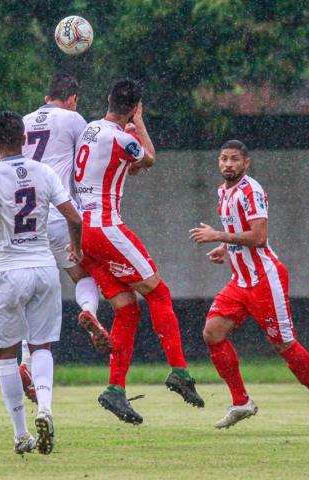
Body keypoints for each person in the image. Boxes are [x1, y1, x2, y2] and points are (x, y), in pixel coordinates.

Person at [74, 79, 204, 424]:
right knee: (159, 292)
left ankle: (115, 390)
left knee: (127, 311)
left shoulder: (90, 129)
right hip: (106, 227)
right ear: (134, 107)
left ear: (107, 99)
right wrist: (140, 123)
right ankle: (179, 370)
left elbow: (111, 163)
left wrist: (127, 156)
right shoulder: (124, 137)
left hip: (84, 233)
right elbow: (149, 157)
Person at [190, 140, 309, 434]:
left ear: (246, 163)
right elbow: (238, 232)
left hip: (264, 279)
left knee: (284, 344)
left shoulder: (251, 191)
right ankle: (241, 401)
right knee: (212, 333)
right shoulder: (223, 192)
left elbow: (258, 237)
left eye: (234, 159)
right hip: (240, 281)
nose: (227, 164)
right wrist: (224, 247)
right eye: (223, 159)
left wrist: (218, 235)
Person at [0, 111, 83, 454]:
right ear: (25, 139)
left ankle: (21, 433)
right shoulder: (44, 173)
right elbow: (74, 216)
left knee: (6, 353)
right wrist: (77, 247)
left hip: (7, 270)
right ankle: (45, 406)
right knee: (41, 346)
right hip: (44, 267)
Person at [18, 73, 110, 403]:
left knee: (33, 295)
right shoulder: (73, 119)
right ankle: (89, 311)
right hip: (60, 215)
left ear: (46, 96)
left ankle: (25, 360)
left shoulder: (25, 121)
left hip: (25, 220)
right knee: (82, 274)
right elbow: (88, 161)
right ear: (71, 99)